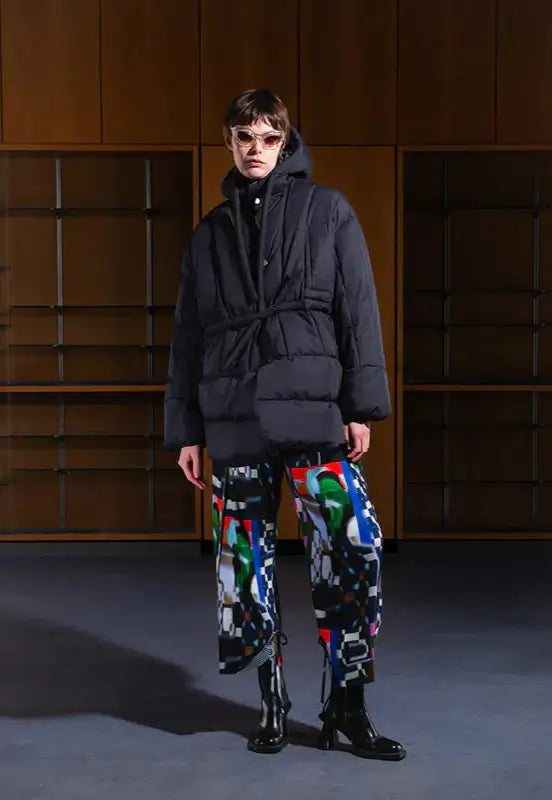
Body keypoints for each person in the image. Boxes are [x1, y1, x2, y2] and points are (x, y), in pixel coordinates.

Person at [164, 89, 405, 761]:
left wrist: (361, 406)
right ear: (228, 143)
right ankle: (271, 702)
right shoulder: (210, 233)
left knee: (353, 544)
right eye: (244, 137)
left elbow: (357, 307)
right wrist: (186, 430)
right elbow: (188, 333)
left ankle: (348, 707)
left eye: (268, 137)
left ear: (285, 141)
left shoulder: (329, 211)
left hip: (314, 413)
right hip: (234, 414)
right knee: (243, 567)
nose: (255, 149)